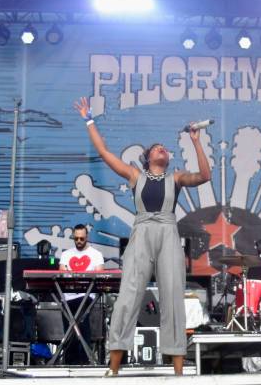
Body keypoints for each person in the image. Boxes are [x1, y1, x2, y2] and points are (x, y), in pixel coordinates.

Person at [73, 97, 211, 376]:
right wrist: (89, 120)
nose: (162, 149)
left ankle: (178, 372)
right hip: (142, 232)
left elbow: (206, 175)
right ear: (149, 158)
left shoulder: (177, 178)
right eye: (157, 148)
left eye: (165, 149)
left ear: (168, 159)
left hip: (169, 234)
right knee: (128, 296)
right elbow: (103, 152)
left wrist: (196, 140)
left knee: (173, 297)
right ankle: (113, 369)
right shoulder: (135, 175)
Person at [59, 224, 105, 365]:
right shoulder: (66, 254)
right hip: (68, 298)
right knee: (69, 328)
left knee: (83, 327)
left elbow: (100, 275)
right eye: (76, 238)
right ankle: (69, 362)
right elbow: (62, 273)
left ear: (87, 237)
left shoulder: (96, 255)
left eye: (82, 238)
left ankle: (84, 360)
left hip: (86, 298)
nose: (79, 241)